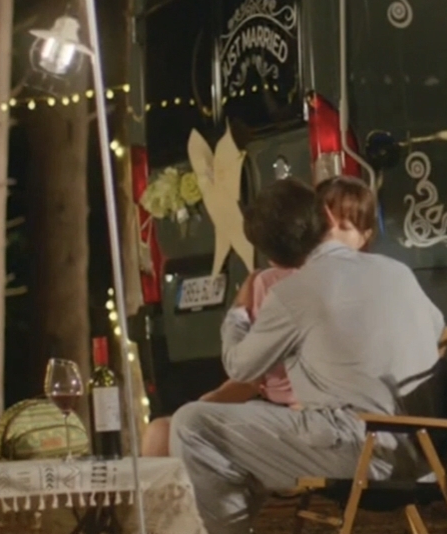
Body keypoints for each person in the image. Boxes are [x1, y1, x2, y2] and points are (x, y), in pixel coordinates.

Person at [169, 176, 445, 534]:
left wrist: (238, 314)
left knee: (192, 424)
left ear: (273, 258)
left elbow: (240, 366)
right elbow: (437, 330)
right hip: (426, 450)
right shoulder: (397, 271)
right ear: (327, 216)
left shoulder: (293, 292)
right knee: (241, 431)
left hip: (361, 452)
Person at [140, 177, 377, 457]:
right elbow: (249, 375)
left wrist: (238, 313)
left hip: (323, 422)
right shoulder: (269, 282)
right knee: (163, 431)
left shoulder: (354, 284)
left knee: (189, 428)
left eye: (345, 226)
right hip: (275, 409)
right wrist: (206, 403)